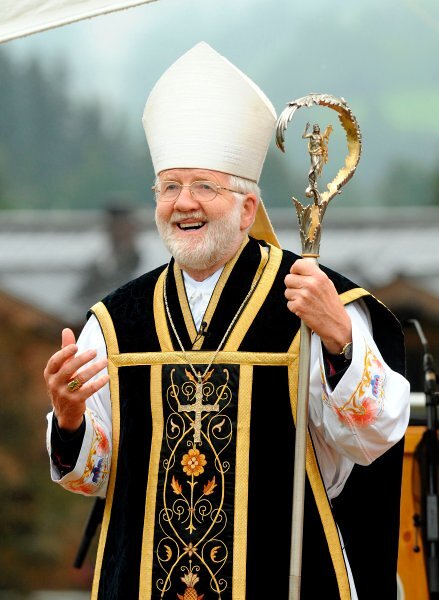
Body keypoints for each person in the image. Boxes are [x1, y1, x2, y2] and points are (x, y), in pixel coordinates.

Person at [44, 42, 410, 600]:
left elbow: (373, 438)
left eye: (204, 186)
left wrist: (339, 338)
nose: (183, 203)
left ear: (247, 208)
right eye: (170, 187)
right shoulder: (116, 323)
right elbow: (91, 478)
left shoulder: (314, 302)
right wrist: (70, 421)